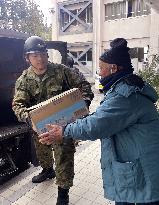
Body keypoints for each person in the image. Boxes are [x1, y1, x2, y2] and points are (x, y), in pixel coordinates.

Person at [39, 38, 159, 205]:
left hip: (146, 170)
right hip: (143, 165)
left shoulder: (126, 95)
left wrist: (64, 131)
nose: (99, 72)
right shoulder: (123, 86)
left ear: (114, 68)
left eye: (101, 68)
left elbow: (98, 125)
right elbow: (104, 116)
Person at [12, 36, 94, 205]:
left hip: (63, 126)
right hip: (39, 126)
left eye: (42, 54)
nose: (40, 58)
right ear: (27, 58)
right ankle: (48, 170)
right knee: (42, 153)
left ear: (47, 55)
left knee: (64, 157)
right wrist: (30, 120)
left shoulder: (62, 71)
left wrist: (82, 106)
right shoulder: (24, 80)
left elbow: (84, 86)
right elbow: (18, 105)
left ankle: (63, 193)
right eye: (34, 55)